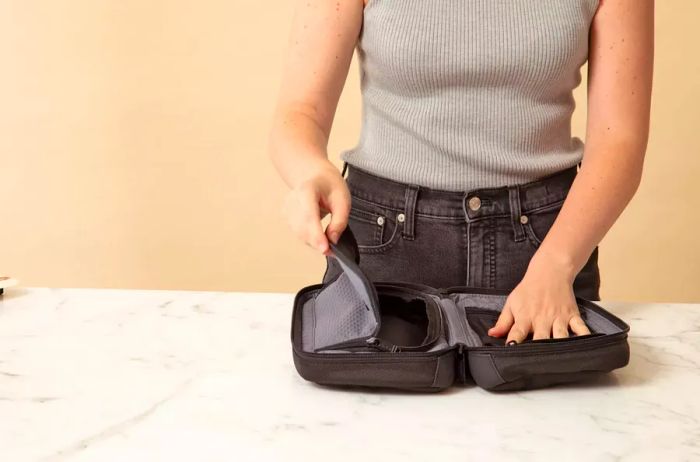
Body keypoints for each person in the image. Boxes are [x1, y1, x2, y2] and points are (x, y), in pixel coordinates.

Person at [268, 0, 654, 345]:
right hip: (386, 247)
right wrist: (310, 171)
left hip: (550, 247)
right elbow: (300, 114)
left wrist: (557, 263)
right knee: (371, 422)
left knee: (562, 424)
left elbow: (619, 140)